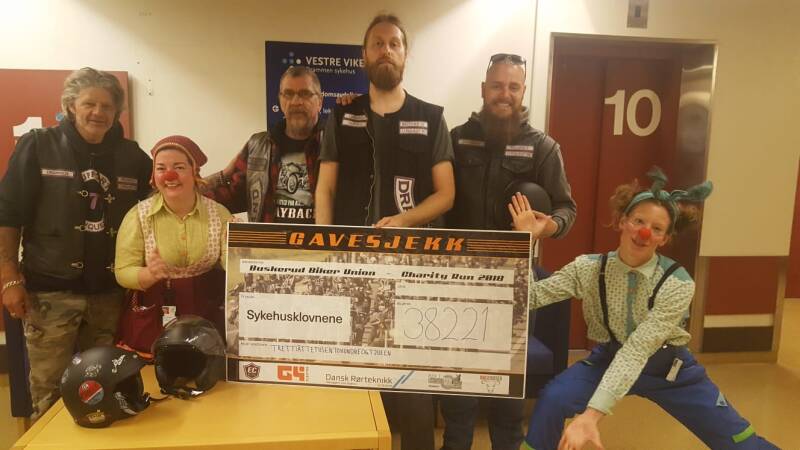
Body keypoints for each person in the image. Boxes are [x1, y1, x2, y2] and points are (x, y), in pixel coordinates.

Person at [510, 168, 777, 450]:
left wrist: (591, 416)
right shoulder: (589, 269)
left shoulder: (677, 283)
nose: (644, 232)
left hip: (669, 369)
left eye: (657, 229)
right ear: (622, 222)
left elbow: (637, 350)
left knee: (740, 441)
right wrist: (526, 241)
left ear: (664, 239)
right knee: (553, 399)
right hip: (609, 358)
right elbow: (529, 297)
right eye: (638, 221)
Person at [315, 13, 455, 450]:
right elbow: (325, 189)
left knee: (414, 385)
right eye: (377, 43)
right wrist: (325, 252)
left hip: (413, 271)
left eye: (394, 43)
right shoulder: (341, 116)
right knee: (351, 375)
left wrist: (404, 221)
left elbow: (446, 194)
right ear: (364, 55)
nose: (386, 51)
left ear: (405, 55)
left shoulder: (431, 118)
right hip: (353, 269)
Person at [440, 53, 577, 450]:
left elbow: (567, 209)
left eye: (513, 87)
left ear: (523, 91)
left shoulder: (543, 148)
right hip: (459, 281)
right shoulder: (456, 139)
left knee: (507, 393)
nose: (505, 94)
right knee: (458, 388)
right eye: (497, 86)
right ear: (484, 90)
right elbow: (440, 200)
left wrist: (546, 227)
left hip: (513, 285)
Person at [0, 67, 152, 419]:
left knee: (103, 390)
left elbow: (159, 200)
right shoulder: (38, 146)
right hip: (50, 294)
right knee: (50, 392)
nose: (98, 112)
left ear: (117, 112)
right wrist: (9, 277)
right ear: (70, 106)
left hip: (109, 296)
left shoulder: (132, 156)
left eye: (107, 106)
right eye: (89, 104)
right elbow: (8, 214)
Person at [115, 136, 232, 353]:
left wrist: (240, 251)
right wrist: (148, 274)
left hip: (206, 313)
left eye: (179, 167)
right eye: (161, 168)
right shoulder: (138, 216)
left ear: (194, 171)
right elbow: (122, 272)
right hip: (155, 314)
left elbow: (231, 265)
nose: (169, 175)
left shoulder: (220, 214)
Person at [203, 65, 323, 224]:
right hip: (268, 240)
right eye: (288, 94)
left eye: (305, 94)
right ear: (280, 99)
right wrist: (222, 175)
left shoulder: (333, 143)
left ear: (320, 101)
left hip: (321, 240)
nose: (296, 101)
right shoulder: (258, 146)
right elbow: (226, 198)